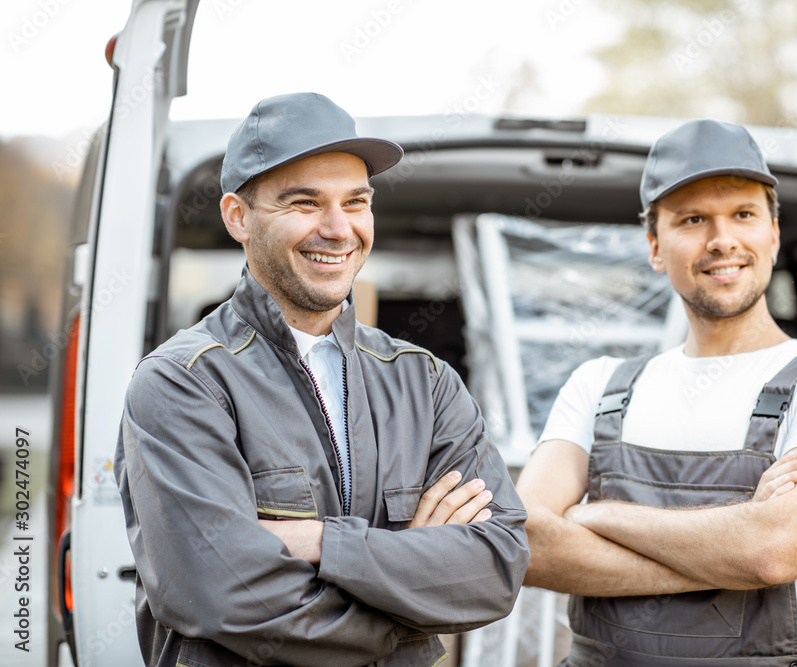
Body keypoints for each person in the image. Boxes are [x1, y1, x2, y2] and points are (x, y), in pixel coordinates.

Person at [114, 92, 529, 667]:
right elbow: (220, 596)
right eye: (305, 203)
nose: (338, 229)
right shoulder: (183, 384)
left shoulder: (425, 381)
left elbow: (494, 571)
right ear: (238, 217)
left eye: (355, 202)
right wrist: (411, 599)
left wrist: (319, 543)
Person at [516, 119, 797, 666]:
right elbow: (524, 546)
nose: (722, 240)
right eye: (693, 220)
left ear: (774, 235)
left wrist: (598, 516)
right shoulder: (599, 384)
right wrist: (727, 546)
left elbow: (772, 553)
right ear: (656, 247)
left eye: (743, 215)